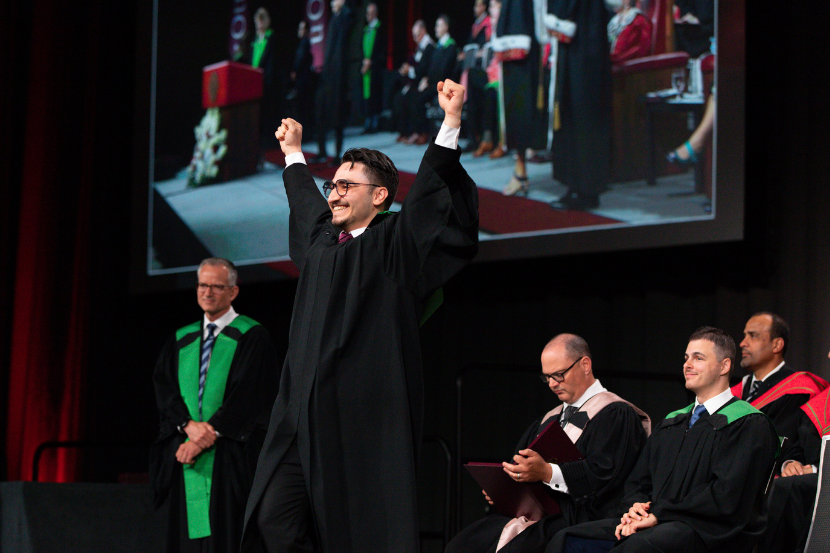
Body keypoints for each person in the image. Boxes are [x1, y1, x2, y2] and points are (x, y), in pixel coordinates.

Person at [241, 79, 479, 553]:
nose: (334, 193)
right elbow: (305, 205)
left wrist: (450, 123)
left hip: (359, 422)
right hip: (299, 417)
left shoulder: (394, 246)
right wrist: (293, 154)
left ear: (380, 197)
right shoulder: (321, 247)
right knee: (274, 518)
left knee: (357, 531)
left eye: (347, 185)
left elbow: (431, 196)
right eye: (335, 184)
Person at [547, 326, 780, 553]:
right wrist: (636, 508)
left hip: (708, 530)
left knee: (637, 547)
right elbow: (639, 482)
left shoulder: (747, 423)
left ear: (724, 366)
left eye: (698, 358)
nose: (687, 365)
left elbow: (726, 495)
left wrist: (660, 514)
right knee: (568, 539)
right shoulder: (673, 421)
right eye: (686, 358)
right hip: (659, 522)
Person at [446, 334, 650, 553]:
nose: (552, 384)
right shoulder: (549, 419)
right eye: (547, 377)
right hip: (541, 515)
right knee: (463, 544)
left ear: (585, 365)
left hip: (584, 518)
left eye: (559, 375)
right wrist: (505, 488)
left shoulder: (616, 414)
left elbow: (604, 475)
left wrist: (547, 472)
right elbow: (521, 464)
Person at [149, 258, 280, 553]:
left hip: (231, 458)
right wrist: (187, 426)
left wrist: (208, 435)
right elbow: (164, 388)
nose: (207, 292)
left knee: (228, 536)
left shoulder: (252, 335)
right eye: (202, 285)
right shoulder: (182, 339)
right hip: (185, 452)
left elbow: (249, 395)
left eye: (217, 286)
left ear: (233, 292)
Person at [731, 312, 828, 465]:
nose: (743, 343)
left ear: (777, 345)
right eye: (744, 335)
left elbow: (790, 444)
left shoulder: (798, 390)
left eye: (753, 335)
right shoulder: (735, 392)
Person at [547, 0, 612, 210]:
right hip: (575, 44)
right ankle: (575, 184)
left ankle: (588, 190)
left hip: (587, 47)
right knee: (570, 114)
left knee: (585, 115)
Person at [494, 0, 549, 195]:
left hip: (521, 55)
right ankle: (520, 170)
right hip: (519, 50)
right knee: (519, 109)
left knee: (520, 109)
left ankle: (520, 170)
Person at [403, 15, 460, 145]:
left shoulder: (450, 46)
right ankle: (416, 131)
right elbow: (432, 68)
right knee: (413, 95)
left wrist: (429, 81)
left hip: (443, 85)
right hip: (433, 82)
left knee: (419, 97)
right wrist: (426, 79)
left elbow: (444, 70)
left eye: (438, 26)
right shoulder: (439, 46)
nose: (435, 29)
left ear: (446, 27)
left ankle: (423, 133)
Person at [313, 0, 353, 164]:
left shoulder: (346, 16)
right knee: (319, 110)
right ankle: (322, 151)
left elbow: (350, 17)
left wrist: (344, 7)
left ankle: (337, 155)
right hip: (328, 73)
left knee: (337, 114)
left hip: (339, 75)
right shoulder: (334, 18)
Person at [393, 20, 435, 142]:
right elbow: (413, 63)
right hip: (414, 81)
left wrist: (410, 70)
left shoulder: (429, 47)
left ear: (423, 32)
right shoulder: (419, 48)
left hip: (425, 82)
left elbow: (424, 68)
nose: (415, 38)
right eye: (413, 36)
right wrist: (406, 69)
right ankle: (405, 132)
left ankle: (420, 132)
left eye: (417, 35)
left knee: (412, 97)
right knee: (398, 98)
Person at [459, 0, 492, 152]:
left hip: (485, 71)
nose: (475, 8)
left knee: (476, 99)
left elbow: (488, 47)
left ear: (484, 7)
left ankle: (479, 138)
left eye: (477, 5)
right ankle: (473, 138)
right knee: (471, 103)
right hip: (473, 71)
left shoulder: (489, 24)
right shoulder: (475, 26)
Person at [247, 7, 280, 152]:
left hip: (267, 82)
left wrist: (267, 79)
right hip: (254, 82)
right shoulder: (254, 40)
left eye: (261, 21)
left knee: (269, 113)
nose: (259, 25)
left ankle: (270, 142)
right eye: (257, 22)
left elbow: (272, 62)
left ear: (266, 22)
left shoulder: (271, 37)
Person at [361, 3, 386, 134]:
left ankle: (375, 123)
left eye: (371, 13)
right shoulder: (366, 29)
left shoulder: (379, 28)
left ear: (376, 13)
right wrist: (364, 62)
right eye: (367, 13)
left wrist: (371, 62)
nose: (369, 16)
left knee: (375, 95)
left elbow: (381, 50)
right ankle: (368, 122)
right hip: (366, 69)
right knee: (367, 96)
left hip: (375, 68)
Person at [288, 20, 315, 135]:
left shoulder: (305, 43)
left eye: (302, 28)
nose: (300, 31)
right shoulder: (303, 43)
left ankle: (306, 132)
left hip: (303, 80)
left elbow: (301, 60)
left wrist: (295, 70)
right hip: (303, 79)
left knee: (303, 106)